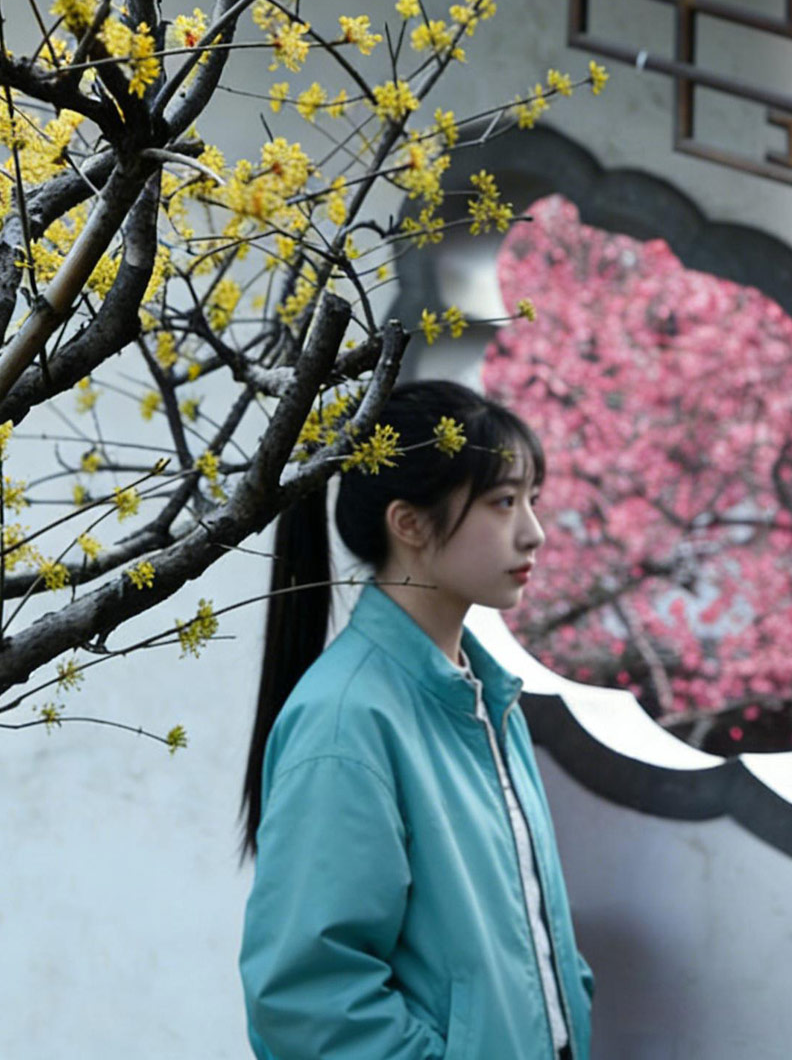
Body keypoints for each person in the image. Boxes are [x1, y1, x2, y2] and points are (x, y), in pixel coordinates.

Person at [238, 379, 595, 1060]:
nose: (534, 532)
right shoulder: (346, 720)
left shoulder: (482, 695)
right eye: (501, 503)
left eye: (531, 500)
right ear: (408, 523)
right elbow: (305, 1004)